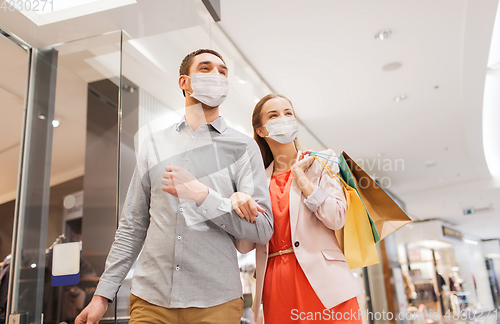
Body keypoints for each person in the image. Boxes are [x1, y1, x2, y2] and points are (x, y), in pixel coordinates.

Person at [75, 49, 273, 324]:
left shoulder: (243, 148)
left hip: (216, 302)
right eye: (205, 68)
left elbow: (263, 229)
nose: (216, 75)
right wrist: (102, 296)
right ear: (184, 82)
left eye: (222, 71)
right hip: (150, 301)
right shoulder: (154, 144)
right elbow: (133, 225)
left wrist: (204, 196)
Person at [233, 94, 364, 323]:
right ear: (261, 130)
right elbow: (244, 246)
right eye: (273, 115)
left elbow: (336, 217)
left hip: (326, 281)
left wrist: (301, 179)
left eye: (288, 113)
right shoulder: (256, 181)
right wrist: (239, 204)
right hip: (277, 283)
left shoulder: (323, 161)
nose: (283, 118)